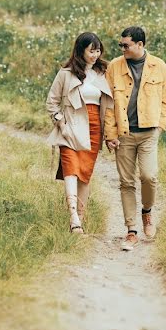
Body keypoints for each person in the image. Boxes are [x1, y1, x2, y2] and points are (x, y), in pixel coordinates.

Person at [104, 26, 166, 251]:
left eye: (126, 45)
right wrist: (110, 134)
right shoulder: (114, 66)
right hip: (123, 134)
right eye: (120, 45)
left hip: (149, 132)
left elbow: (165, 98)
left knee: (149, 176)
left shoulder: (159, 66)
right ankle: (131, 230)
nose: (122, 48)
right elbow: (109, 103)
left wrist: (161, 125)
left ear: (140, 45)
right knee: (126, 182)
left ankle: (147, 212)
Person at [46, 32, 113, 234]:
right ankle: (73, 217)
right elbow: (51, 102)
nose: (95, 55)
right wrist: (61, 124)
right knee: (71, 169)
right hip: (72, 124)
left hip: (94, 125)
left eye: (98, 50)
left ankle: (81, 218)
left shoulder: (104, 72)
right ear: (80, 50)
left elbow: (109, 103)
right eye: (91, 51)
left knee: (84, 173)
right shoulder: (66, 73)